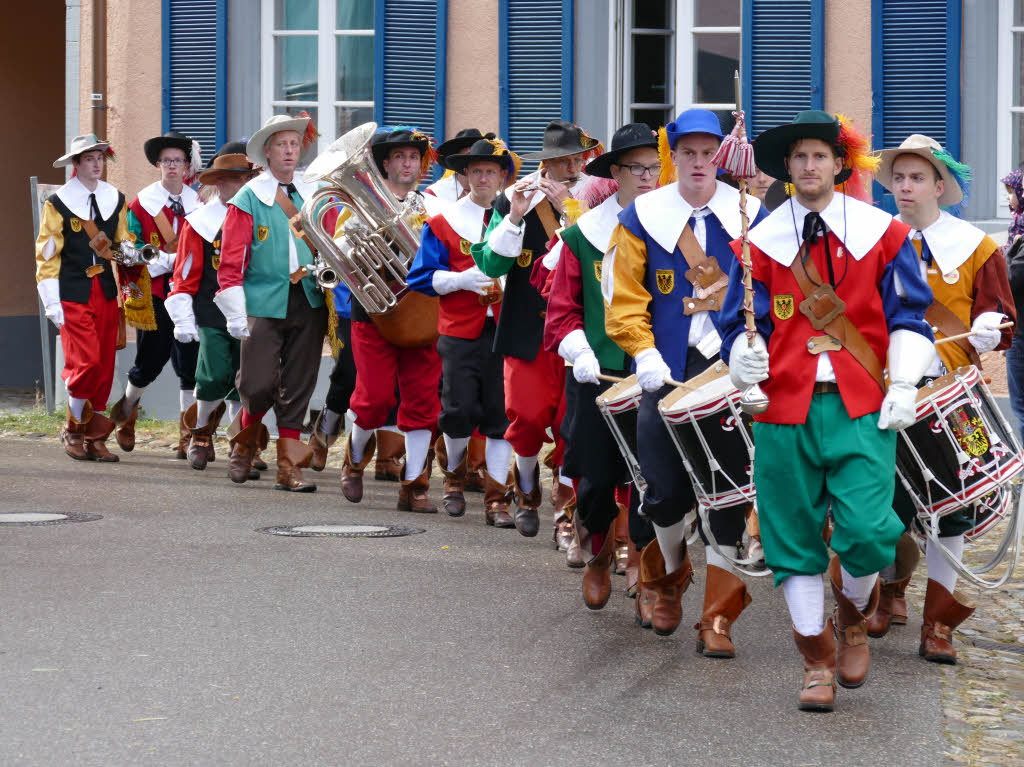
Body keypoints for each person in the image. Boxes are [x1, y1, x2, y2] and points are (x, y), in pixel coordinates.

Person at [720, 110, 934, 711]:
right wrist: (743, 360)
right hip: (783, 406)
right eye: (798, 157)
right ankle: (815, 659)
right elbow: (739, 322)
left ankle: (853, 616)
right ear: (785, 169)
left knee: (869, 532)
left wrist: (906, 382)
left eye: (820, 156)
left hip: (860, 403)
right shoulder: (757, 243)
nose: (809, 166)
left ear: (840, 165)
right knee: (791, 538)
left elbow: (910, 316)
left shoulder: (883, 233)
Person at [603, 109, 767, 656]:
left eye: (708, 153)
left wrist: (755, 349)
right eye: (688, 153)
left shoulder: (748, 215)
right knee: (665, 492)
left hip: (727, 368)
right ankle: (671, 574)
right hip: (665, 367)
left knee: (729, 493)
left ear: (721, 156)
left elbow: (767, 294)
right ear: (673, 156)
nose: (699, 164)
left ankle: (717, 618)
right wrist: (643, 354)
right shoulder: (643, 215)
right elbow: (624, 297)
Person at [872, 134, 1014, 662]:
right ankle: (889, 592)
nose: (904, 187)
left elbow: (1002, 322)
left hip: (954, 396)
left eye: (916, 178)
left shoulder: (976, 246)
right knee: (882, 505)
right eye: (898, 178)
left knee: (951, 509)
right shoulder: (872, 240)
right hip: (886, 388)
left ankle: (938, 622)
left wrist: (987, 327)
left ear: (939, 186)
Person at [543, 122, 659, 607]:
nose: (649, 177)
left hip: (649, 370)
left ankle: (639, 559)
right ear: (616, 172)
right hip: (594, 373)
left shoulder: (670, 227)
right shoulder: (582, 235)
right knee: (594, 477)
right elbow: (562, 310)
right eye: (637, 168)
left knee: (650, 476)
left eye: (655, 167)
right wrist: (580, 351)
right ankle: (596, 552)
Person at [472, 120, 599, 537]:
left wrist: (571, 209)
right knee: (525, 420)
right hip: (527, 332)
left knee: (573, 428)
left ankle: (567, 515)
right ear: (547, 163)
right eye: (565, 160)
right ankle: (526, 489)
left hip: (578, 334)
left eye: (578, 159)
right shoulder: (513, 198)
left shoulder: (597, 199)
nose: (574, 167)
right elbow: (491, 265)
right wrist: (514, 215)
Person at [215, 113, 329, 492]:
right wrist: (234, 312)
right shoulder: (249, 197)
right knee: (257, 382)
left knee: (299, 384)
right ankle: (244, 446)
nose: (290, 151)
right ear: (267, 152)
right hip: (262, 300)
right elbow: (232, 260)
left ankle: (287, 467)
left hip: (309, 297)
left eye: (294, 144)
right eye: (282, 145)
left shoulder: (313, 192)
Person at [407, 138, 518, 524]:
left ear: (503, 176)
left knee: (501, 414)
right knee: (458, 410)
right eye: (477, 171)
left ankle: (497, 497)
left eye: (491, 171)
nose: (484, 178)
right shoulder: (444, 221)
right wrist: (461, 280)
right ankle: (453, 479)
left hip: (506, 327)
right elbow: (421, 278)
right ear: (465, 176)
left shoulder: (517, 218)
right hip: (459, 328)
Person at [340, 127, 444, 513]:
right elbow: (340, 253)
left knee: (422, 403)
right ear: (385, 163)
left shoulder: (430, 207)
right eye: (399, 157)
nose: (407, 163)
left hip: (420, 310)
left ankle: (415, 484)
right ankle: (353, 461)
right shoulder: (358, 205)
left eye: (413, 158)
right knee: (374, 400)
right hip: (374, 310)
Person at [35, 133, 131, 461]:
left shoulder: (115, 198)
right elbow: (47, 255)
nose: (97, 164)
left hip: (105, 291)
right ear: (76, 164)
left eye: (100, 158)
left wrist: (138, 255)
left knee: (104, 366)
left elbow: (121, 244)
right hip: (72, 293)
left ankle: (96, 435)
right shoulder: (58, 202)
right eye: (89, 159)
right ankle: (73, 427)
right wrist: (51, 302)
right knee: (85, 363)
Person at [165, 142, 259, 472]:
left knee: (248, 381)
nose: (243, 185)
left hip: (255, 311)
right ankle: (201, 433)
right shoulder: (200, 223)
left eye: (247, 178)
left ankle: (242, 441)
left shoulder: (260, 216)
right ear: (219, 183)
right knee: (214, 374)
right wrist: (184, 317)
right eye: (236, 179)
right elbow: (185, 274)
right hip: (212, 311)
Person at [109, 131, 202, 458]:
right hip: (156, 293)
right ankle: (127, 411)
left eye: (178, 160)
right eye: (166, 161)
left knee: (190, 366)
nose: (172, 166)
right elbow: (124, 249)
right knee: (150, 362)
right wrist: (164, 260)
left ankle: (188, 435)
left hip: (188, 294)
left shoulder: (198, 203)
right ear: (158, 165)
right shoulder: (141, 203)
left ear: (187, 165)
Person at [422, 128, 495, 216]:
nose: (475, 163)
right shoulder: (436, 193)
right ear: (458, 161)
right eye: (469, 156)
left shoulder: (495, 194)